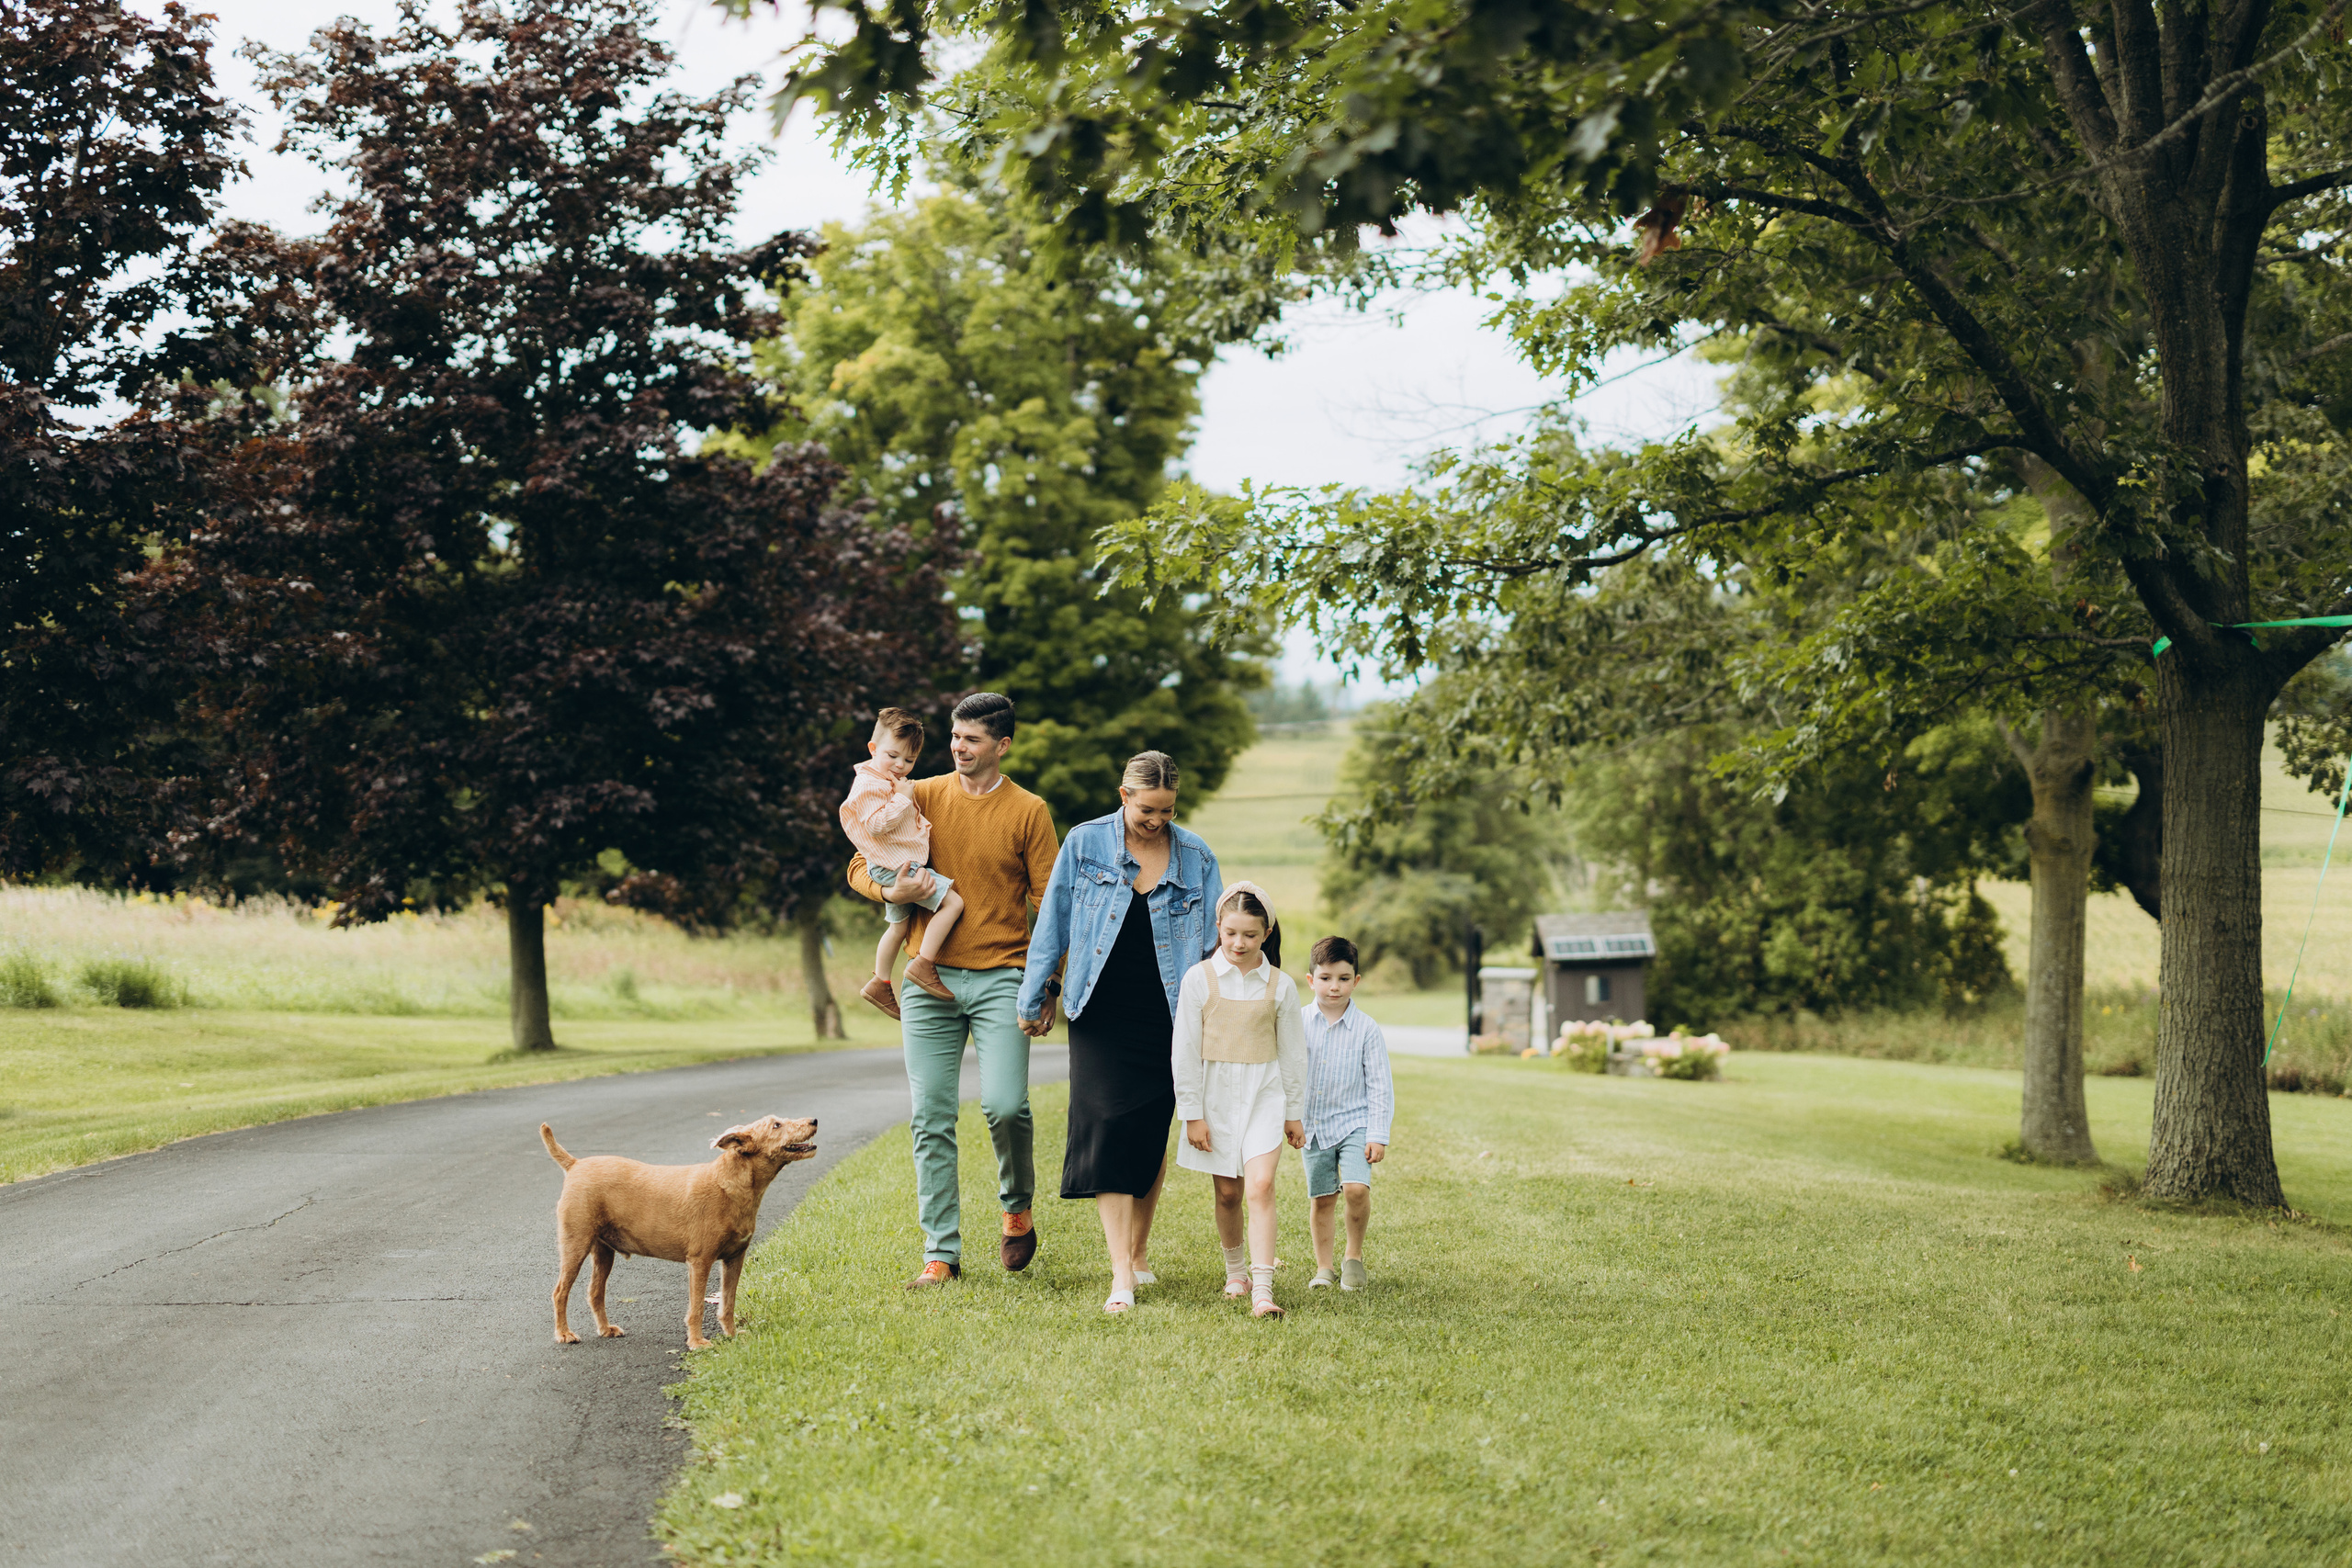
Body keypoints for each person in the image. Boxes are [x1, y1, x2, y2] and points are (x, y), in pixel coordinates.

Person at [846, 693, 1059, 1288]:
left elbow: (1052, 901)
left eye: (971, 739)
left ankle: (1016, 1206)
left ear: (1002, 745)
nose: (958, 748)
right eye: (954, 737)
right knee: (930, 1115)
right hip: (925, 978)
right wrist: (890, 894)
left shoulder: (1029, 810)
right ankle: (940, 1253)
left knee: (1006, 1105)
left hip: (1001, 977)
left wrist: (1049, 981)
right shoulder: (920, 792)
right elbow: (861, 858)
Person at [1020, 751, 1223, 1314]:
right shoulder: (1085, 844)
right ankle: (1120, 1277)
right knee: (1108, 1125)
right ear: (1124, 794)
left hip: (1171, 1010)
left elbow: (1212, 944)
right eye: (1146, 808)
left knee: (1150, 1132)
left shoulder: (1197, 856)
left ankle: (1138, 1253)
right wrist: (1038, 992)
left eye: (1167, 810)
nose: (1155, 820)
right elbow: (1053, 921)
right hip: (1101, 1008)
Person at [1172, 883, 1306, 1319]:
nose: (1239, 943)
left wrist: (1294, 1114)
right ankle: (1236, 1272)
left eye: (1250, 935)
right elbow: (1185, 1051)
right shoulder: (1199, 979)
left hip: (1264, 1096)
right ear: (1218, 927)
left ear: (1266, 934)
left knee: (1261, 1186)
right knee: (1229, 1192)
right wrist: (1192, 1114)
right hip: (1214, 1099)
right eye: (1231, 933)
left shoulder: (1281, 986)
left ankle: (1263, 1291)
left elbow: (1292, 1055)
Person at [837, 707, 967, 1021]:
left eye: (909, 761)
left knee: (898, 927)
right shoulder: (871, 785)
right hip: (898, 869)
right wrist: (904, 799)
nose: (900, 766)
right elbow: (876, 825)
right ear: (873, 749)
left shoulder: (883, 781)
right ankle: (924, 963)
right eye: (893, 756)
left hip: (891, 866)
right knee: (953, 903)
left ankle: (879, 982)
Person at [1298, 935, 1394, 1292]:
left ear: (1356, 981)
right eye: (1325, 978)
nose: (1334, 987)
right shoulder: (1298, 1022)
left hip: (1356, 1123)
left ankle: (1353, 1257)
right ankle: (1324, 1267)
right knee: (1322, 1198)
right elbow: (1287, 1074)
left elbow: (1380, 1085)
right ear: (1311, 980)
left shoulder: (1367, 1029)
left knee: (1355, 1189)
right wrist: (1289, 1118)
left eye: (1343, 978)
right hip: (1314, 1126)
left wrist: (1377, 1134)